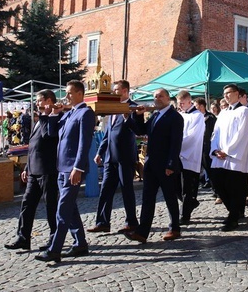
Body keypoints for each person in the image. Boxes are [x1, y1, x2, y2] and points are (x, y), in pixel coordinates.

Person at [35, 80, 96, 263]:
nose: (66, 96)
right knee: (71, 208)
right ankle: (80, 243)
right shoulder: (68, 114)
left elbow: (84, 143)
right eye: (66, 93)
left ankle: (55, 249)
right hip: (61, 168)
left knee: (62, 209)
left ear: (79, 94)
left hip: (73, 168)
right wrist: (53, 113)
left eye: (69, 93)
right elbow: (52, 133)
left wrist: (78, 167)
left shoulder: (85, 113)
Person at [125, 88, 184, 243]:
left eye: (161, 96)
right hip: (151, 164)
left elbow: (176, 143)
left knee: (170, 197)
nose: (157, 98)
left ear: (168, 98)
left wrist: (171, 164)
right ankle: (142, 232)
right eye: (155, 96)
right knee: (147, 198)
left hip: (166, 165)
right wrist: (137, 116)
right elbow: (141, 130)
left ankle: (175, 228)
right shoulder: (155, 115)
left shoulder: (175, 117)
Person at [5, 90, 60, 251]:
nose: (36, 103)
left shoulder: (53, 118)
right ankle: (23, 238)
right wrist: (27, 167)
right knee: (27, 204)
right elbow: (33, 146)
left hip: (48, 169)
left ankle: (54, 238)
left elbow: (47, 137)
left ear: (49, 101)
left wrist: (45, 116)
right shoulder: (39, 119)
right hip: (34, 170)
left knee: (51, 206)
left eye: (39, 100)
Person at [88, 80, 142, 235]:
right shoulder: (112, 108)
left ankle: (131, 222)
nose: (114, 93)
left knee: (127, 190)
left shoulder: (133, 107)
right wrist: (100, 152)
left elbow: (138, 130)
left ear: (125, 91)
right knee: (105, 189)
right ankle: (102, 222)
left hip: (125, 157)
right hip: (110, 157)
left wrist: (127, 117)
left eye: (116, 90)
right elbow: (108, 133)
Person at [210, 84, 248, 232]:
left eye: (229, 93)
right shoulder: (222, 113)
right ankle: (234, 211)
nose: (226, 96)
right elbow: (215, 133)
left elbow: (242, 134)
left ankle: (233, 217)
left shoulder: (244, 111)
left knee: (234, 188)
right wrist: (215, 150)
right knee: (218, 184)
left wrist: (227, 151)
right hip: (219, 156)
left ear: (237, 94)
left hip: (234, 156)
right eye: (224, 93)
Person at [176, 90, 205, 225]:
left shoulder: (197, 116)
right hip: (178, 156)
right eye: (179, 103)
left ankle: (185, 215)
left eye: (182, 103)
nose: (180, 105)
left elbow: (192, 136)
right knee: (176, 187)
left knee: (187, 188)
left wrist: (177, 146)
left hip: (190, 155)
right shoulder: (179, 115)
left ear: (189, 101)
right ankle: (192, 202)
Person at [194, 97, 216, 189]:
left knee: (210, 170)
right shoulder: (196, 117)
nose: (194, 108)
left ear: (201, 106)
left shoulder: (210, 118)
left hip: (207, 147)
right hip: (198, 148)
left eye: (196, 106)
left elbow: (212, 133)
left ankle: (217, 192)